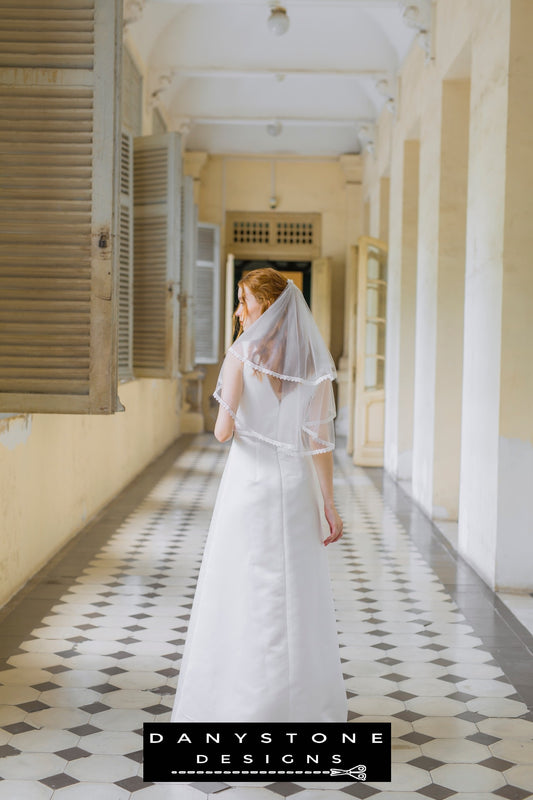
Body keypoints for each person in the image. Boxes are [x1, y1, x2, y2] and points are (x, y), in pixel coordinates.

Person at [171, 267, 348, 723]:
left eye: (243, 301)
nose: (237, 311)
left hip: (248, 488)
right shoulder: (313, 364)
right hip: (294, 486)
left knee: (240, 590)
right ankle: (301, 706)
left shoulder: (240, 355)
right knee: (296, 594)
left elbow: (222, 432)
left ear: (264, 307)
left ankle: (241, 702)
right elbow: (319, 444)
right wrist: (329, 504)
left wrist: (231, 408)